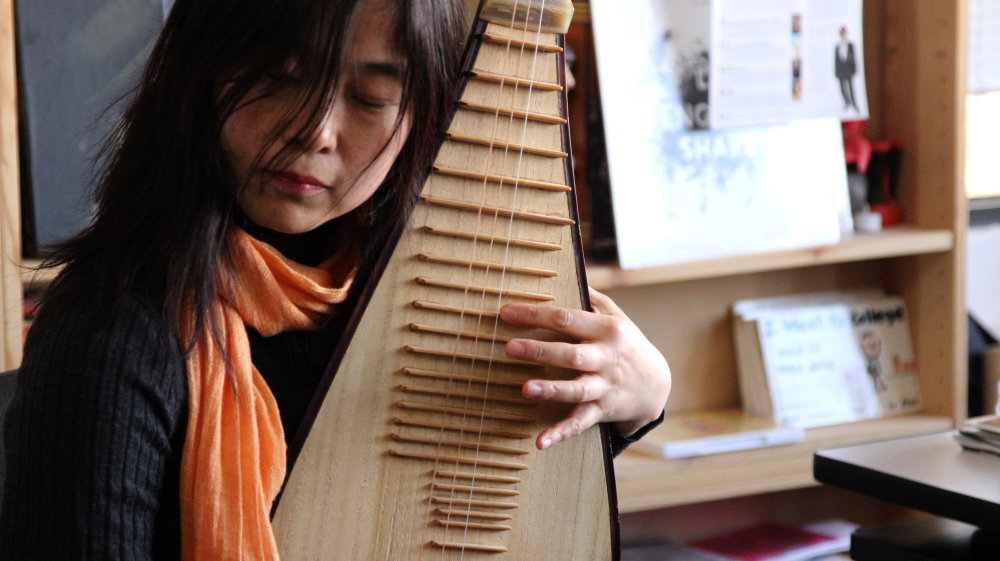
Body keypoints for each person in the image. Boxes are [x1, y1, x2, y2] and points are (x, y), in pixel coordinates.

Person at [0, 0, 671, 558]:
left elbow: (505, 476)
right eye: (282, 78)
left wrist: (639, 397)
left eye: (370, 96)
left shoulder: (422, 291)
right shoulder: (107, 336)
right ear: (201, 69)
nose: (317, 132)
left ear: (419, 112)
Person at [835, 25, 859, 112]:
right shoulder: (837, 47)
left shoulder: (850, 45)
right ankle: (847, 102)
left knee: (851, 88)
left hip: (849, 70)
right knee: (842, 88)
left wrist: (854, 70)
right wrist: (836, 73)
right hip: (841, 71)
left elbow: (853, 58)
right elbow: (836, 61)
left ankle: (854, 104)